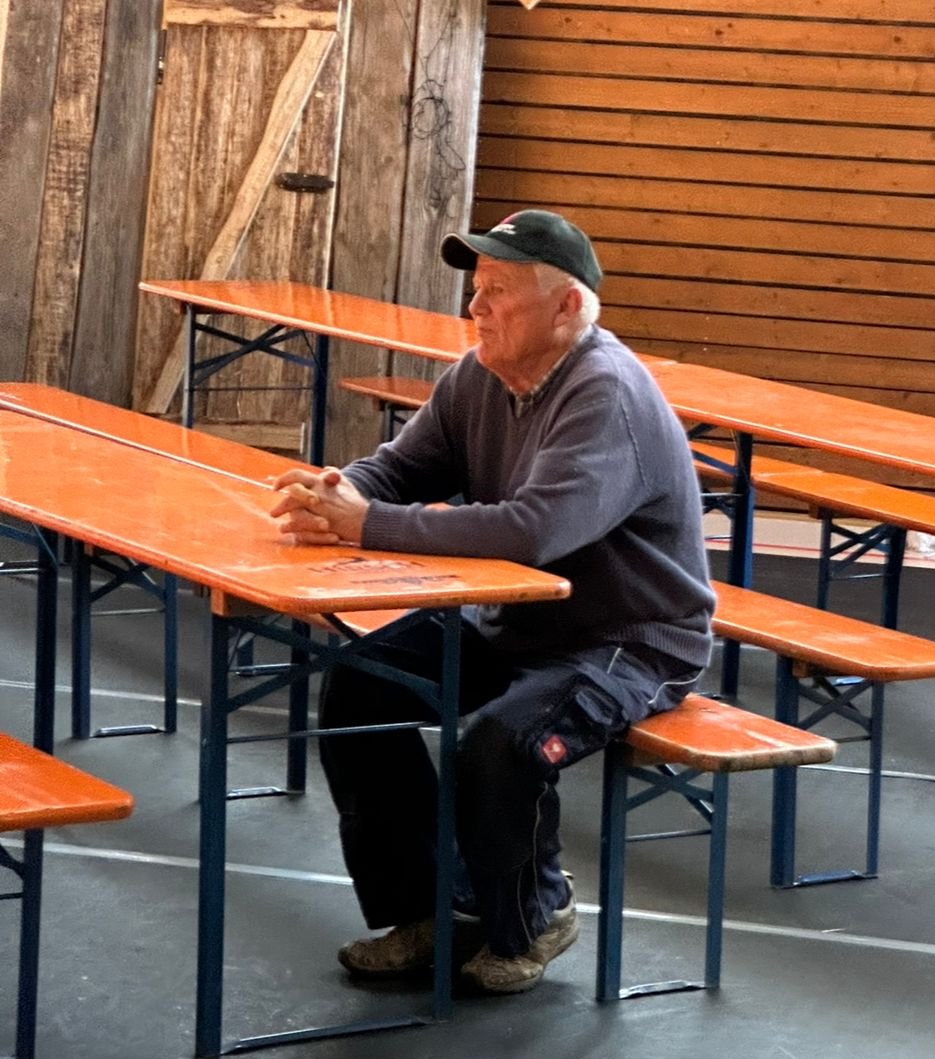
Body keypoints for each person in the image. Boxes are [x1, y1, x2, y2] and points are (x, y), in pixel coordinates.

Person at [269, 211, 714, 994]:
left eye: (498, 290)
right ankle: (432, 910)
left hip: (628, 638)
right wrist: (333, 492)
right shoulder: (479, 374)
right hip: (518, 619)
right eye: (476, 288)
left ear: (565, 307)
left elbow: (534, 530)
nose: (475, 307)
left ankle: (533, 916)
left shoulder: (605, 392)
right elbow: (399, 469)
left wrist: (364, 523)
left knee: (503, 742)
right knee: (361, 685)